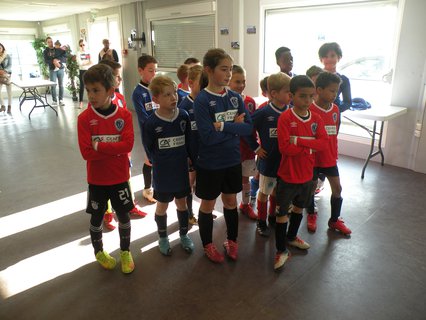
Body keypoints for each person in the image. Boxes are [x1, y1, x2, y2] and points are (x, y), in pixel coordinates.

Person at [193, 48, 253, 263]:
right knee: (208, 206)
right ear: (209, 70)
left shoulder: (236, 98)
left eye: (230, 70)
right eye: (223, 69)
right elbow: (207, 138)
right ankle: (208, 244)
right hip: (210, 163)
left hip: (232, 161)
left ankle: (232, 240)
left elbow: (248, 129)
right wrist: (233, 128)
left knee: (230, 202)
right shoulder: (201, 101)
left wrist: (223, 127)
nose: (228, 74)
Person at [77, 64, 135, 274]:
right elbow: (86, 153)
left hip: (119, 177)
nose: (91, 95)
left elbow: (127, 146)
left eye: (96, 90)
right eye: (88, 90)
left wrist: (99, 146)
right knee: (96, 217)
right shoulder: (84, 119)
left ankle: (126, 251)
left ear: (110, 91)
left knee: (124, 216)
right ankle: (99, 251)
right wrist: (115, 150)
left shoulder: (124, 116)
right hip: (97, 180)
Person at [274, 75, 328, 271]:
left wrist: (298, 141)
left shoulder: (316, 118)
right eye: (303, 96)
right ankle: (280, 250)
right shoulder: (286, 118)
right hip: (288, 176)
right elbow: (284, 148)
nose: (308, 101)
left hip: (307, 175)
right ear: (291, 95)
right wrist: (309, 146)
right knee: (282, 214)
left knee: (299, 208)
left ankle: (291, 237)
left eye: (311, 96)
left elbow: (323, 144)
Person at [143, 75, 195, 256]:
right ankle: (163, 237)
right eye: (167, 95)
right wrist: (159, 162)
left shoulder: (183, 116)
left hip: (180, 171)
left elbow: (189, 142)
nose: (174, 98)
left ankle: (183, 234)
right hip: (163, 174)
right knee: (162, 205)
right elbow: (149, 149)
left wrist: (191, 162)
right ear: (156, 99)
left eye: (174, 93)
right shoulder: (151, 123)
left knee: (182, 204)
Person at [98, 59, 148, 230]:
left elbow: (126, 123)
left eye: (120, 77)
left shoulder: (120, 98)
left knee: (126, 176)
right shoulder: (98, 103)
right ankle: (107, 212)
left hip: (122, 151)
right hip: (106, 153)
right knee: (106, 182)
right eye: (116, 77)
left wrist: (126, 147)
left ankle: (130, 204)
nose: (119, 80)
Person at [246, 72, 292, 237]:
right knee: (264, 191)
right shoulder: (264, 112)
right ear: (274, 94)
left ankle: (273, 217)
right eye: (288, 91)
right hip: (268, 162)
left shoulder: (291, 112)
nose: (291, 95)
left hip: (285, 162)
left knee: (277, 192)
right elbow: (246, 129)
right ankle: (261, 221)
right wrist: (256, 147)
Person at [306, 71, 352, 235]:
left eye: (337, 91)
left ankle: (334, 220)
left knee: (337, 189)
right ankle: (311, 214)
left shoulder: (336, 110)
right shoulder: (309, 109)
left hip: (329, 158)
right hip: (312, 159)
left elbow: (334, 132)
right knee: (310, 189)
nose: (335, 94)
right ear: (319, 90)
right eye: (332, 91)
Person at [178, 64, 207, 225]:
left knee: (203, 184)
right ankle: (189, 214)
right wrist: (187, 155)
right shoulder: (184, 106)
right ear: (190, 83)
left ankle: (204, 211)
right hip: (191, 154)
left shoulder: (206, 103)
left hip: (205, 153)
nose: (204, 87)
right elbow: (181, 135)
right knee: (188, 185)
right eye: (201, 83)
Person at [228, 64, 258, 220]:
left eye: (243, 81)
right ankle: (230, 206)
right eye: (237, 81)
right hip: (231, 148)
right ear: (228, 82)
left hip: (247, 148)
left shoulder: (251, 101)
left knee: (246, 178)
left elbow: (252, 125)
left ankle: (245, 205)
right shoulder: (224, 101)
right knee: (232, 180)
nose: (241, 85)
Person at [131, 54, 158, 204]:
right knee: (150, 161)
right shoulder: (138, 93)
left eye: (155, 70)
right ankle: (148, 189)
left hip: (162, 132)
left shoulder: (157, 88)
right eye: (150, 70)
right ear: (140, 71)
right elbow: (143, 118)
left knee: (158, 160)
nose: (153, 74)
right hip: (150, 134)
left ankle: (158, 186)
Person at [318, 42, 351, 113]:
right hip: (314, 113)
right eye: (325, 57)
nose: (329, 59)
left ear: (339, 57)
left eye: (332, 56)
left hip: (334, 116)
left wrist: (335, 110)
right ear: (321, 59)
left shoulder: (344, 79)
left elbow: (348, 102)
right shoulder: (315, 75)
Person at [43, 37, 66, 106]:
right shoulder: (45, 51)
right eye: (49, 42)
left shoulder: (58, 49)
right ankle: (54, 100)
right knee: (53, 85)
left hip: (60, 69)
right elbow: (45, 61)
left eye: (51, 41)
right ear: (46, 43)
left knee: (61, 85)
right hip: (52, 70)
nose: (51, 43)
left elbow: (64, 56)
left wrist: (58, 60)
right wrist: (53, 61)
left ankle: (61, 100)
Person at [76, 39, 92, 109]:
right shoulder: (78, 53)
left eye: (83, 44)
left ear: (86, 45)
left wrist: (84, 63)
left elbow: (92, 62)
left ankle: (91, 102)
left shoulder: (89, 52)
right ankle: (81, 103)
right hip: (82, 71)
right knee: (82, 87)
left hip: (89, 70)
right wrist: (87, 62)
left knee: (90, 86)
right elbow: (79, 63)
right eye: (81, 45)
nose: (82, 46)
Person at [0, 43, 12, 114]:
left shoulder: (7, 56)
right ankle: (3, 105)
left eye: (0, 47)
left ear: (2, 48)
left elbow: (10, 65)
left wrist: (4, 71)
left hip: (7, 75)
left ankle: (9, 106)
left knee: (9, 93)